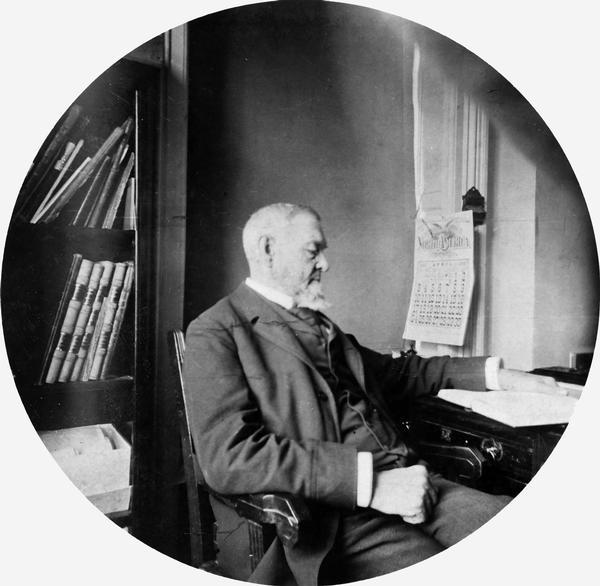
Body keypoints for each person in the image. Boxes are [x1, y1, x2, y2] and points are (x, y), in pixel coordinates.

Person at [183, 203, 559, 585]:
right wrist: (373, 485)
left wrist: (498, 375)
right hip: (340, 519)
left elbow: (399, 372)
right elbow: (228, 458)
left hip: (420, 483)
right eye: (314, 251)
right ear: (267, 249)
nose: (326, 263)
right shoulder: (216, 332)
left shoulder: (318, 322)